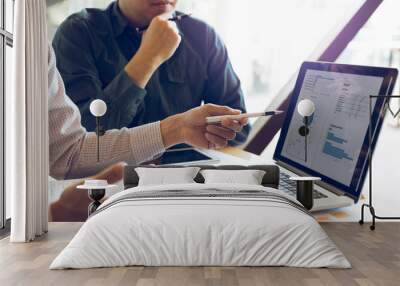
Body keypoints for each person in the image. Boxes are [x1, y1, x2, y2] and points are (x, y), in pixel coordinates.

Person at [52, 0, 250, 145]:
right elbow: (84, 140)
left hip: (185, 177)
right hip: (110, 183)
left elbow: (239, 130)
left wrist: (219, 128)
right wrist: (148, 57)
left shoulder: (203, 36)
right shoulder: (78, 32)